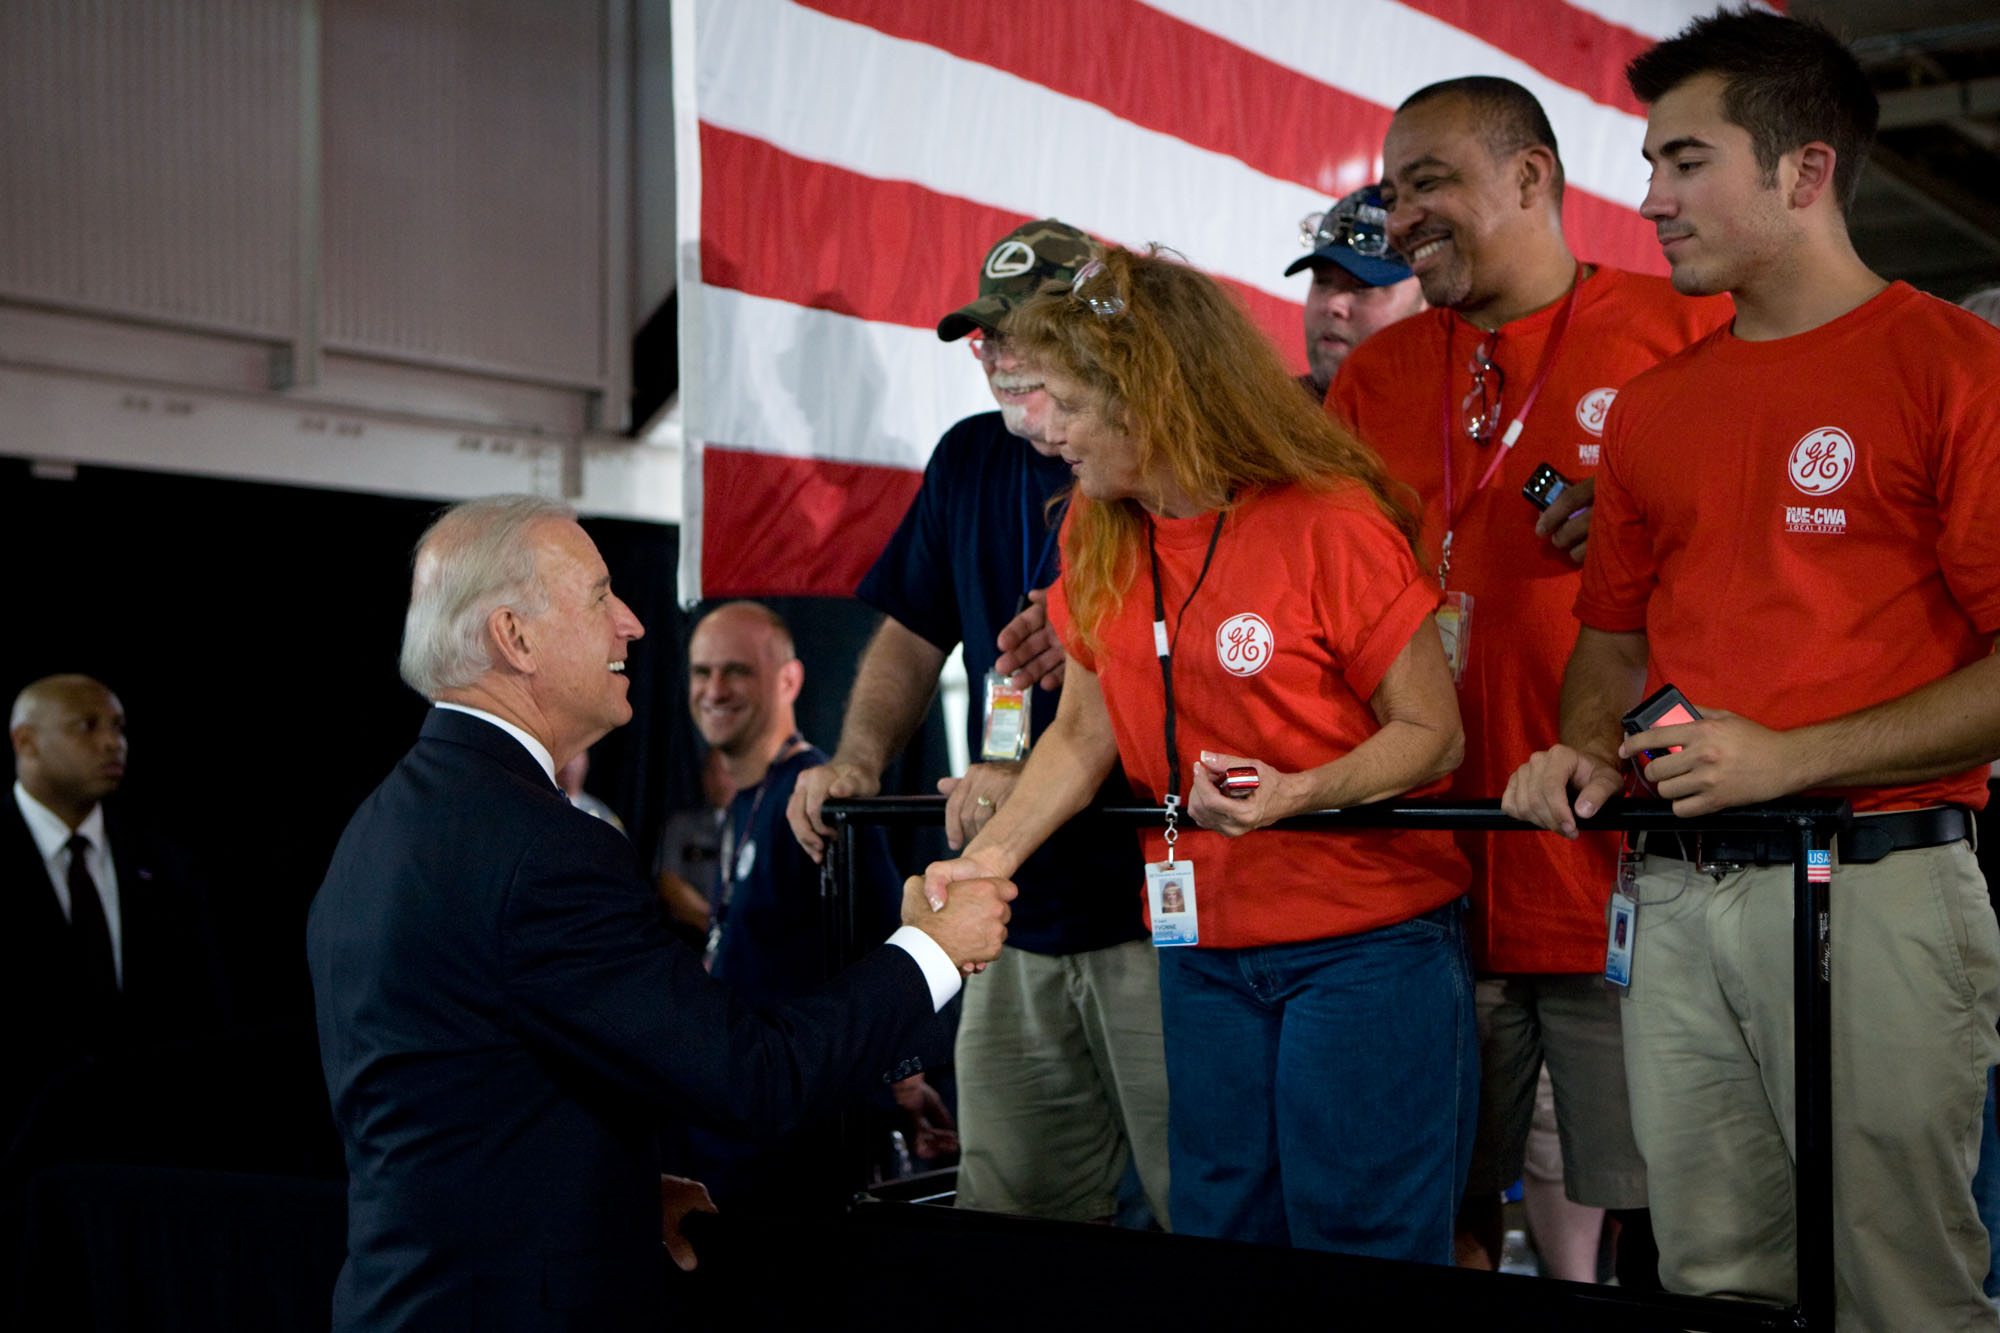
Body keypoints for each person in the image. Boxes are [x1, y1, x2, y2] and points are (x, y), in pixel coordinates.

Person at [1503, 11, 2000, 1327]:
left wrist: (1791, 757)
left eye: (1686, 161)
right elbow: (1608, 643)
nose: (1651, 199)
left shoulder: (1957, 368)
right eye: (1652, 163)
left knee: (1901, 1283)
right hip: (1675, 902)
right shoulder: (1662, 404)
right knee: (1712, 1276)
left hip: (1881, 882)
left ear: (1804, 172)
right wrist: (1583, 744)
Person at [307, 495, 1014, 1332]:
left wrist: (610, 1193)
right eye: (601, 596)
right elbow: (756, 1077)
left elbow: (465, 1093)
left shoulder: (382, 825)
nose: (634, 624)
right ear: (515, 636)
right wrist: (931, 949)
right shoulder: (542, 851)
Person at [923, 246, 1475, 1261]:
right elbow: (1082, 732)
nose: (1037, 431)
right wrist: (984, 862)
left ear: (1152, 397)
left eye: (1064, 406)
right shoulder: (1099, 523)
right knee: (1218, 1238)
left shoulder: (1328, 525)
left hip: (1361, 945)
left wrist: (1299, 792)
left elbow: (1431, 732)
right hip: (1198, 945)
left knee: (1358, 1240)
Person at [1328, 74, 1734, 1281]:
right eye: (1391, 192)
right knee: (1429, 1211)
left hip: (1623, 874)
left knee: (1665, 1231)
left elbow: (1776, 571)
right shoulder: (1374, 379)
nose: (1400, 218)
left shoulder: (1685, 332)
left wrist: (1661, 528)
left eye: (1429, 182)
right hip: (1421, 882)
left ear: (1528, 177)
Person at [789, 219, 1171, 1228]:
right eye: (982, 336)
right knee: (1012, 1211)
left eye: (1017, 332)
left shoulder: (1157, 456)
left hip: (1160, 913)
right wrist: (858, 760)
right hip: (1008, 910)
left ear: (1094, 333)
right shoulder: (966, 457)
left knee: (1205, 1211)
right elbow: (910, 634)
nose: (995, 355)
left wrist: (1089, 615)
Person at [683, 600, 953, 1199]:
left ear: (789, 680)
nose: (714, 689)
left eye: (737, 671)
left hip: (800, 1146)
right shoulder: (746, 800)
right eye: (702, 672)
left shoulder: (815, 799)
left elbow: (889, 940)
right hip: (742, 1133)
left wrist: (905, 1081)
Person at [3, 674, 222, 1148]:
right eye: (87, 726)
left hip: (146, 1149)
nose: (112, 743)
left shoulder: (168, 863)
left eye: (118, 727)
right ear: (26, 743)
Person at [1287, 183, 1425, 401]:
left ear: (1428, 301)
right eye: (1322, 282)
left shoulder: (1468, 421)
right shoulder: (1258, 418)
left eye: (1363, 286)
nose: (1333, 304)